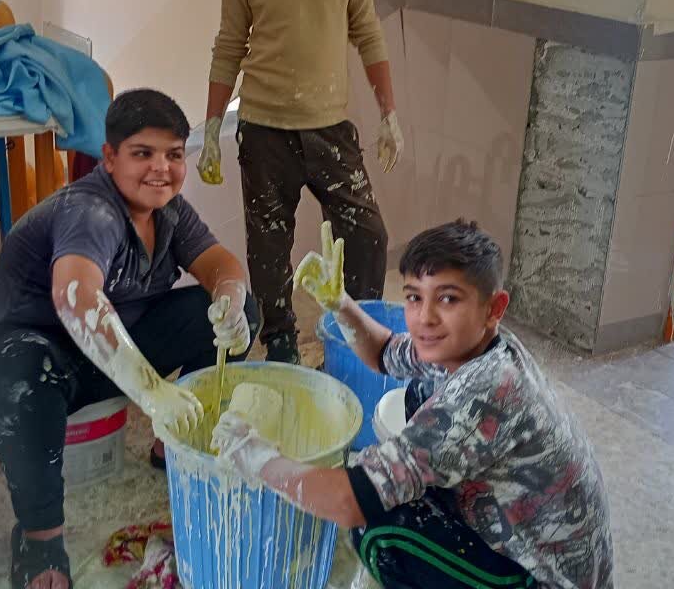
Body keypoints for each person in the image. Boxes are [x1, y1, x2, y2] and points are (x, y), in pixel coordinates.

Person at [212, 220, 615, 588]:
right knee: (416, 396)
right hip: (513, 528)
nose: (425, 318)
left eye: (448, 299)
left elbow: (349, 503)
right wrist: (340, 304)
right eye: (413, 297)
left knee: (379, 525)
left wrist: (257, 457)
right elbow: (385, 353)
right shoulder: (474, 346)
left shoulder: (486, 391)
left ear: (494, 309)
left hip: (542, 577)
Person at [0, 88, 259, 589]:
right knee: (26, 375)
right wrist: (152, 390)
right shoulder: (91, 211)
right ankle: (40, 539)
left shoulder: (170, 210)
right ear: (110, 157)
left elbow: (219, 263)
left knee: (240, 312)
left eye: (173, 154)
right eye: (143, 153)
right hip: (31, 350)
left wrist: (230, 298)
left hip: (110, 349)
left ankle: (174, 444)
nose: (160, 168)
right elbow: (77, 299)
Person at [197, 0, 404, 365]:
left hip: (330, 129)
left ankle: (357, 332)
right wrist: (211, 127)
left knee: (368, 234)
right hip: (264, 131)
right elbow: (229, 48)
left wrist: (389, 113)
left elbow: (368, 33)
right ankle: (281, 342)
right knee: (269, 245)